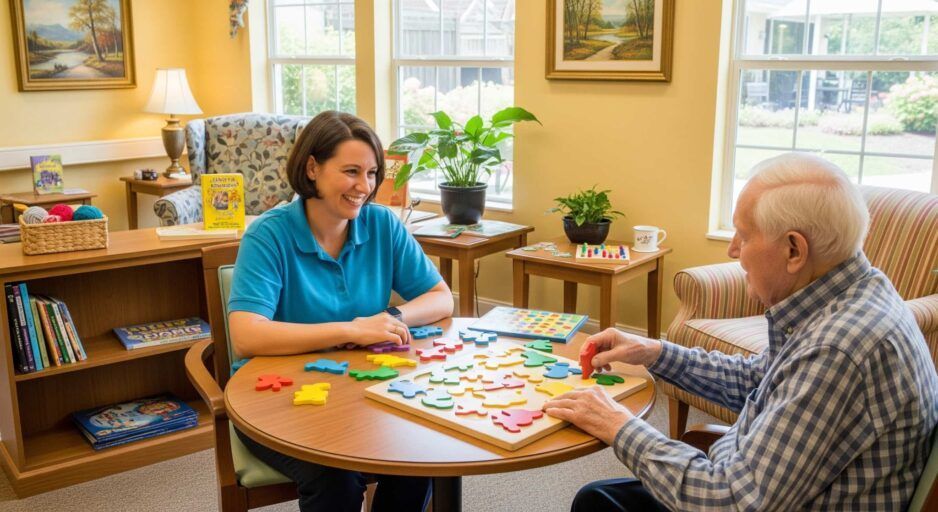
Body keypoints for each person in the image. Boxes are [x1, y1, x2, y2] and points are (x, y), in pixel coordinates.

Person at [545, 153, 938, 511]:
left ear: (794, 251)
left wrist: (618, 426)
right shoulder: (850, 293)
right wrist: (654, 352)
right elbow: (760, 380)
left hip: (743, 495)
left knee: (598, 505)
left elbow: (731, 500)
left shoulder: (839, 348)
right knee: (600, 499)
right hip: (770, 481)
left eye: (744, 235)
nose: (733, 250)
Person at [227, 111, 453, 512]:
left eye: (371, 173)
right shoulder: (268, 234)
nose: (363, 186)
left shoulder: (383, 224)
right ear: (312, 168)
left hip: (362, 391)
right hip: (275, 403)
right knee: (334, 476)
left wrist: (392, 319)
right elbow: (247, 335)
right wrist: (351, 328)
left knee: (421, 451)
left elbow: (440, 297)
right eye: (350, 171)